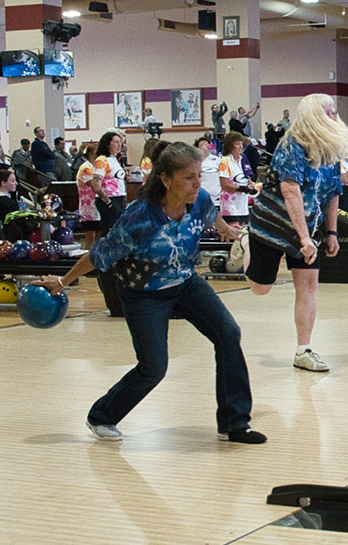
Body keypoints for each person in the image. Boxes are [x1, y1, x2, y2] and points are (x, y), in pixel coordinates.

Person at [37, 141, 264, 444]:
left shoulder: (200, 201)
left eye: (198, 175)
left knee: (228, 333)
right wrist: (62, 282)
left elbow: (211, 217)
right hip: (144, 293)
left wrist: (229, 231)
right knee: (153, 368)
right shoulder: (139, 217)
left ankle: (235, 423)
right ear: (165, 180)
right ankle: (101, 416)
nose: (197, 183)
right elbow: (99, 255)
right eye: (188, 177)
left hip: (185, 282)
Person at [245, 93, 348, 373]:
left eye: (333, 112)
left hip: (308, 227)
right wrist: (303, 237)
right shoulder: (292, 145)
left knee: (308, 286)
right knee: (260, 289)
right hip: (273, 225)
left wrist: (331, 233)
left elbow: (333, 194)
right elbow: (290, 190)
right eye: (326, 113)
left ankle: (303, 350)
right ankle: (246, 241)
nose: (332, 117)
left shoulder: (331, 151)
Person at [93, 131, 128, 233]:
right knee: (109, 230)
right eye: (116, 142)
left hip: (119, 198)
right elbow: (96, 185)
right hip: (109, 199)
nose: (119, 145)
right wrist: (108, 202)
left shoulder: (114, 159)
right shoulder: (101, 160)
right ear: (108, 144)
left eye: (120, 142)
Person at [218, 132, 255, 224]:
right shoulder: (225, 161)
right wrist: (241, 188)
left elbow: (246, 177)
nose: (240, 146)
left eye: (241, 144)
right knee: (233, 232)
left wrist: (251, 184)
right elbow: (224, 185)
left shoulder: (244, 158)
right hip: (230, 205)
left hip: (243, 204)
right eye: (237, 144)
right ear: (230, 146)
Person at [75, 142, 101, 246]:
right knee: (91, 235)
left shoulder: (96, 167)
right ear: (90, 154)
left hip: (96, 206)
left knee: (99, 234)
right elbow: (94, 184)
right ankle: (86, 257)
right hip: (89, 207)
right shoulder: (85, 168)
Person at [195, 134, 222, 205]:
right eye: (202, 145)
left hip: (217, 194)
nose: (205, 146)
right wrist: (202, 154)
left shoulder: (217, 159)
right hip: (203, 193)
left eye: (207, 144)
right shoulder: (196, 161)